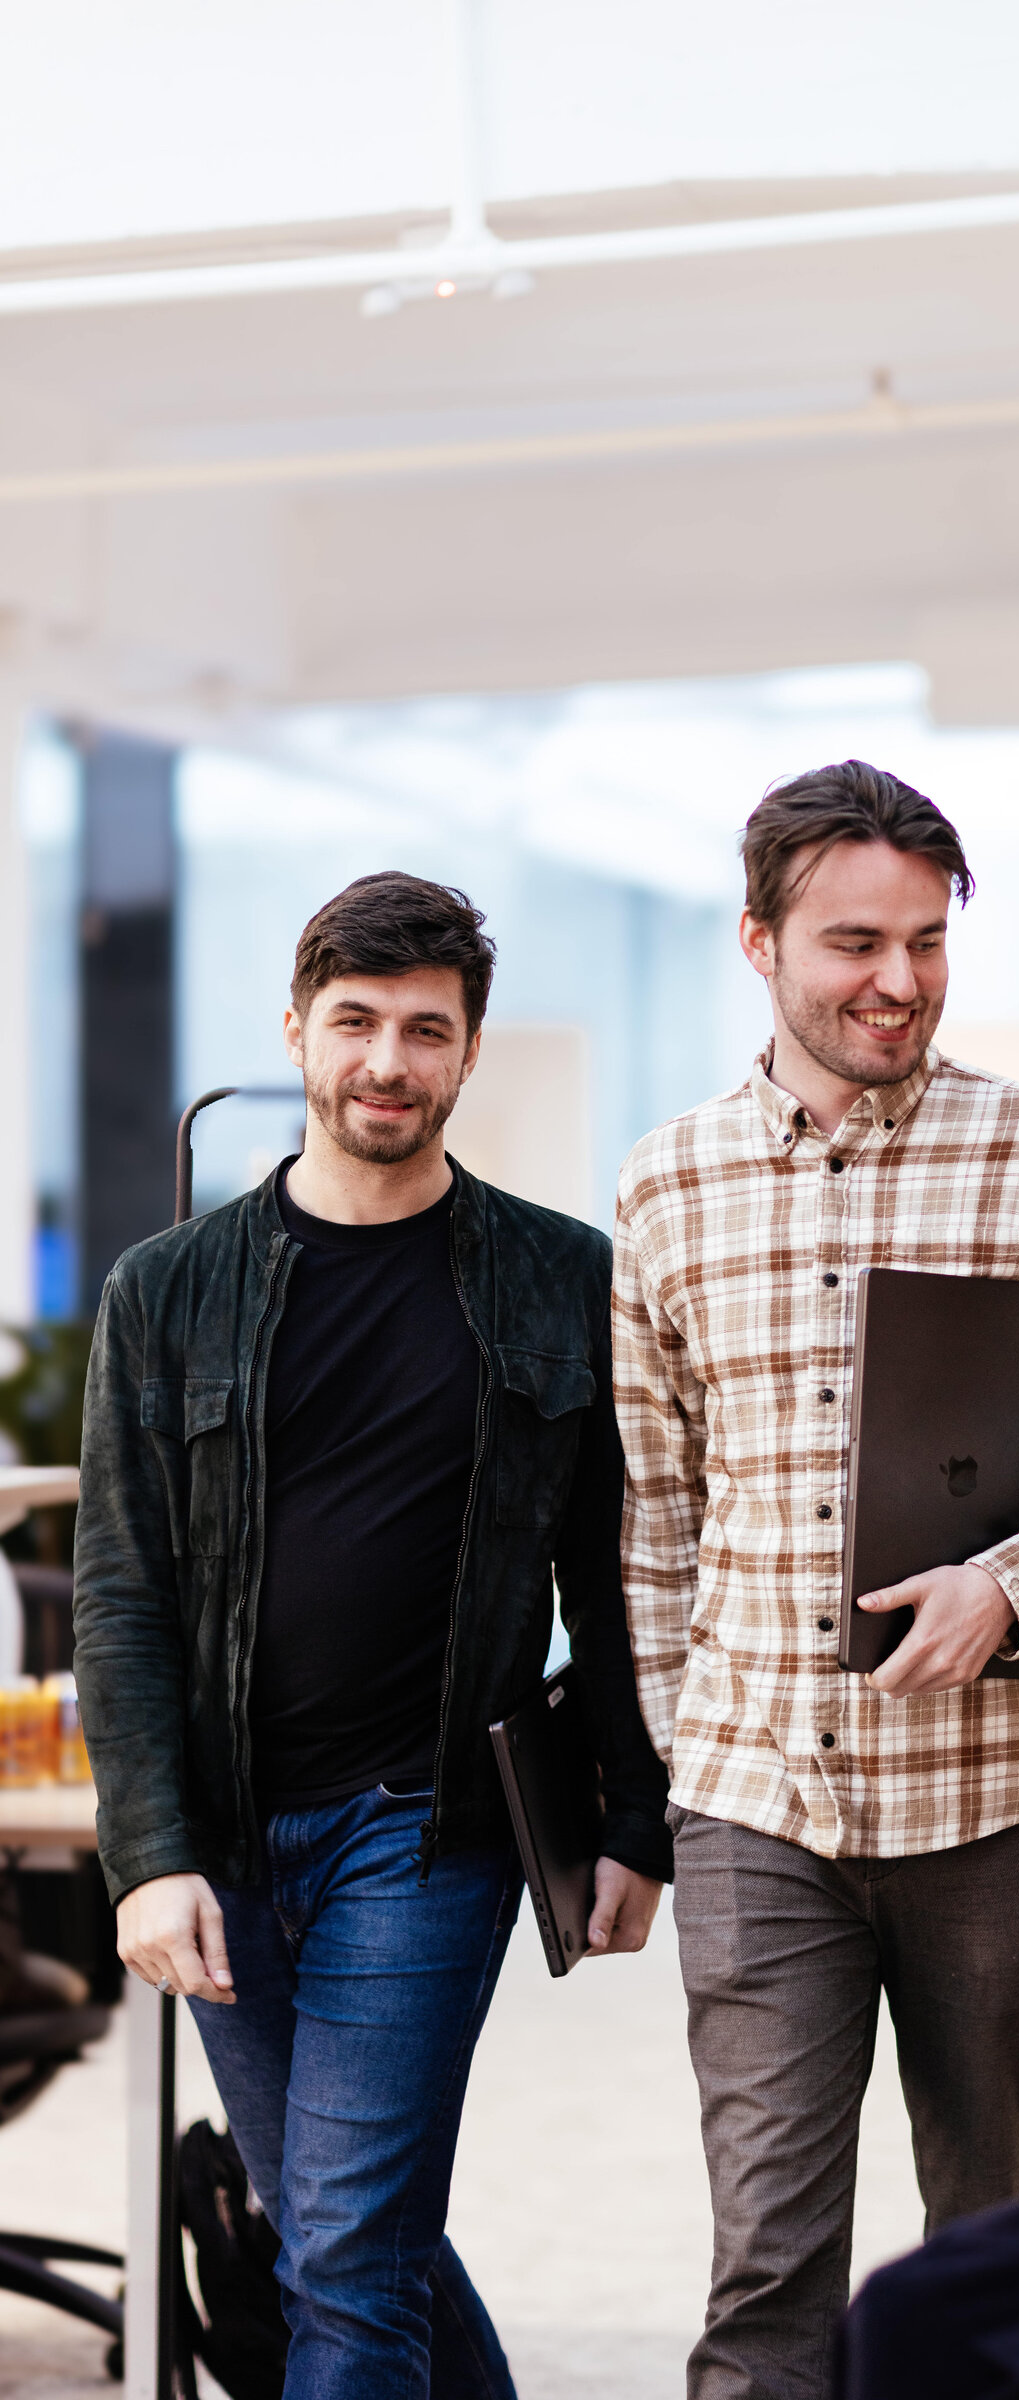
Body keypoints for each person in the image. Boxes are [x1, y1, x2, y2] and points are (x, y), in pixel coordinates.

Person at [74, 872, 672, 2400]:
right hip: (223, 1837)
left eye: (426, 1029)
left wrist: (636, 1824)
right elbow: (122, 1590)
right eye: (356, 1023)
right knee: (346, 2234)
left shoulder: (560, 1280)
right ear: (296, 1030)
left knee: (341, 2251)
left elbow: (611, 1575)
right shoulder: (168, 1293)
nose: (387, 1061)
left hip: (424, 1833)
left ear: (469, 1054)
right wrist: (146, 1854)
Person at [613, 760, 1019, 2400]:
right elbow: (654, 1519)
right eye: (857, 941)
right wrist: (670, 1781)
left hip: (995, 1800)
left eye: (929, 941)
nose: (901, 981)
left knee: (991, 2244)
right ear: (759, 942)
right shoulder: (665, 1187)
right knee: (768, 2260)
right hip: (753, 1800)